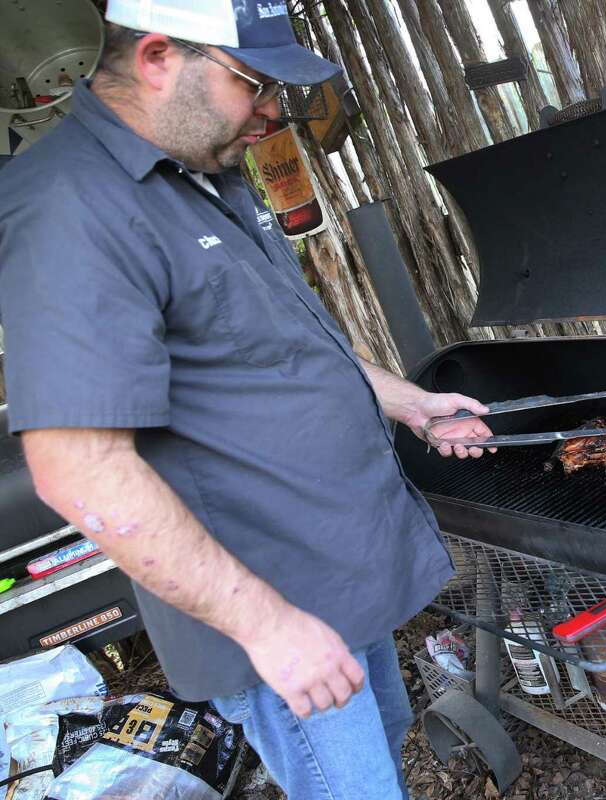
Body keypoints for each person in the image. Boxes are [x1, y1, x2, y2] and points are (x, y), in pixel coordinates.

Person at [0, 2, 492, 797]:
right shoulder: (71, 207)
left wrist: (407, 402)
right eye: (254, 83)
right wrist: (268, 627)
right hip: (268, 598)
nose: (270, 110)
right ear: (159, 57)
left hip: (333, 569)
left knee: (382, 749)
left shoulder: (204, 165)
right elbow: (77, 468)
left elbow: (276, 344)